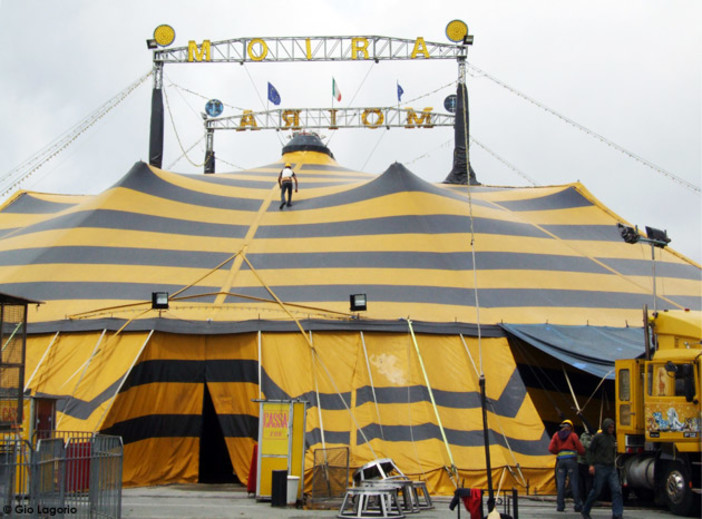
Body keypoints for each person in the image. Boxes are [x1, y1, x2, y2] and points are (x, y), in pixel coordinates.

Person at [581, 418, 623, 519]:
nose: (612, 429)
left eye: (613, 427)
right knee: (597, 491)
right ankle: (585, 510)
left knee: (617, 490)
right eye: (610, 427)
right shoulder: (598, 438)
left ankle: (617, 514)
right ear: (605, 427)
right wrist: (591, 465)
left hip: (611, 467)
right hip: (600, 467)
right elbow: (590, 451)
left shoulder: (612, 438)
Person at [549, 419, 585, 512]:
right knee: (574, 482)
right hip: (571, 461)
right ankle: (578, 505)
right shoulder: (573, 435)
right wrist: (582, 453)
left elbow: (551, 448)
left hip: (560, 461)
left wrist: (559, 452)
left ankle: (560, 506)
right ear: (571, 427)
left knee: (561, 483)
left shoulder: (556, 435)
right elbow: (580, 448)